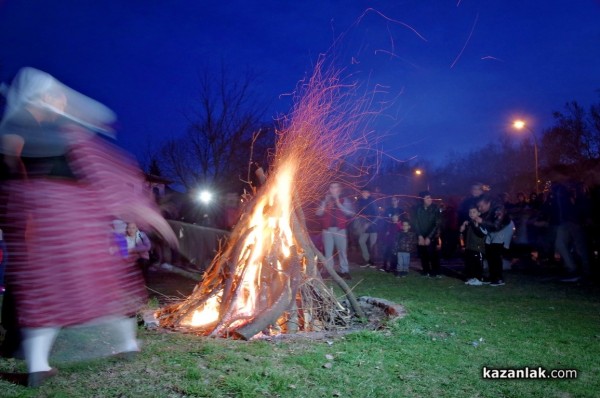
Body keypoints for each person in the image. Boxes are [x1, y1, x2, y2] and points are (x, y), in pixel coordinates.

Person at [0, 67, 177, 387]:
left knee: (56, 286)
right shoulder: (34, 128)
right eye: (52, 94)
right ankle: (123, 344)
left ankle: (43, 364)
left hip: (59, 219)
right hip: (58, 218)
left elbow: (97, 171)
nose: (58, 99)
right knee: (83, 283)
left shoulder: (45, 128)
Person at [315, 182, 354, 280]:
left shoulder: (344, 199)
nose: (333, 189)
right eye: (331, 187)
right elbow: (318, 213)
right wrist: (324, 202)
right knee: (328, 253)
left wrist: (338, 203)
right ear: (329, 189)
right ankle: (328, 271)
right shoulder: (325, 200)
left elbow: (350, 213)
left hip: (340, 229)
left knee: (342, 251)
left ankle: (344, 271)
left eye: (336, 187)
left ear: (339, 189)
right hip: (327, 230)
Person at [474, 194, 514, 286]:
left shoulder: (499, 208)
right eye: (478, 206)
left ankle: (498, 278)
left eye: (481, 206)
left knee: (495, 252)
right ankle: (492, 276)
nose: (479, 208)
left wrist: (482, 221)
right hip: (492, 229)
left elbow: (497, 225)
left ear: (488, 203)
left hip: (503, 228)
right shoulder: (485, 210)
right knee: (488, 251)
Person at [412, 191, 442, 277]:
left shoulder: (435, 208)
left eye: (430, 197)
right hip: (421, 234)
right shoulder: (417, 208)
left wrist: (429, 237)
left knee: (433, 253)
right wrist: (420, 236)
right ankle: (426, 270)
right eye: (427, 198)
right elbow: (415, 223)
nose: (430, 199)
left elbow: (437, 223)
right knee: (423, 253)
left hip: (432, 235)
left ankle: (435, 271)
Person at [460, 205, 486, 285]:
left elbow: (482, 234)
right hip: (469, 247)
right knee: (470, 263)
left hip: (478, 248)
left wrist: (477, 226)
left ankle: (479, 278)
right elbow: (462, 233)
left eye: (474, 212)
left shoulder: (481, 223)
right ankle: (472, 278)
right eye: (470, 212)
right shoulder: (469, 223)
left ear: (479, 213)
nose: (471, 214)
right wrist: (462, 228)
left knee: (478, 264)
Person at [356, 187, 379, 268]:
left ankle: (373, 262)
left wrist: (369, 223)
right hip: (364, 226)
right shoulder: (360, 202)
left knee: (372, 245)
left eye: (366, 192)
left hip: (373, 226)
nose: (364, 193)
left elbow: (377, 215)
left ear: (369, 193)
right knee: (361, 241)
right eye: (363, 192)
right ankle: (367, 260)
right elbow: (359, 213)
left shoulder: (372, 201)